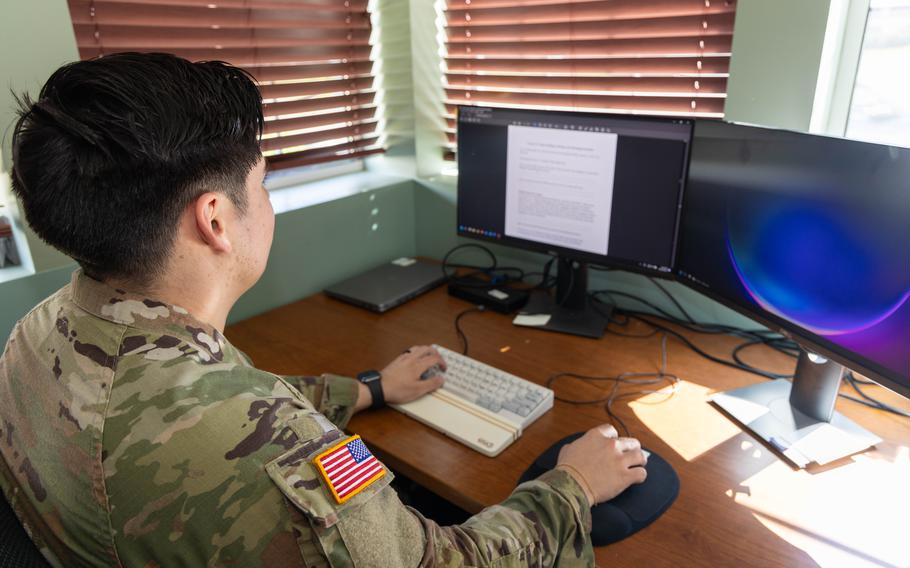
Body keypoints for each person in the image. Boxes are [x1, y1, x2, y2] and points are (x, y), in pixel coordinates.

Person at [0, 53, 648, 567]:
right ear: (217, 220)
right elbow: (440, 561)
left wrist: (368, 391)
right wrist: (574, 487)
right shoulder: (279, 452)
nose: (268, 202)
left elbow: (231, 405)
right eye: (263, 184)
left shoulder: (37, 333)